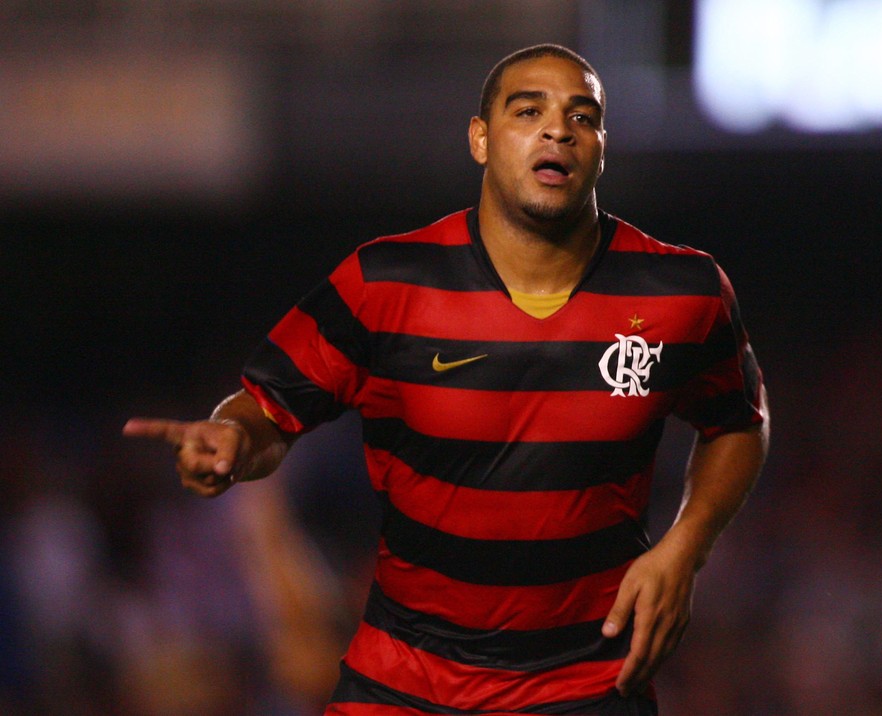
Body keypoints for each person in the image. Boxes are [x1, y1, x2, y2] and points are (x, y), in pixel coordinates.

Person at [124, 44, 769, 715]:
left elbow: (739, 424)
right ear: (480, 139)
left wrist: (687, 548)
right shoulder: (384, 283)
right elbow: (267, 410)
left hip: (585, 685)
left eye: (583, 116)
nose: (558, 129)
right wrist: (230, 438)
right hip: (405, 682)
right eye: (529, 111)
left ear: (602, 146)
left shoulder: (683, 291)